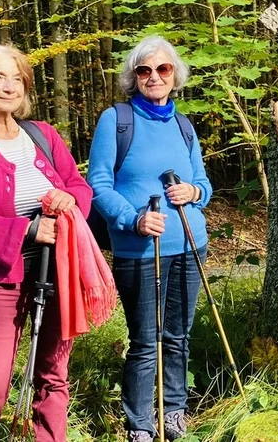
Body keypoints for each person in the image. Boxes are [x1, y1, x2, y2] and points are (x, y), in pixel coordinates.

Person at [0, 44, 114, 442]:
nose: (10, 86)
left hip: (59, 272)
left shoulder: (43, 135)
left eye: (17, 78)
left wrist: (69, 198)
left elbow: (78, 186)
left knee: (54, 376)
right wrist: (27, 230)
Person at [87, 36, 213, 442]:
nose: (154, 76)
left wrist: (194, 192)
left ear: (174, 75)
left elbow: (204, 183)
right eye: (144, 70)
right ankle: (140, 425)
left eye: (163, 69)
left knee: (178, 336)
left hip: (190, 244)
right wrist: (134, 219)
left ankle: (174, 411)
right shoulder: (116, 120)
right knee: (145, 341)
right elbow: (98, 185)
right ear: (134, 77)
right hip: (140, 250)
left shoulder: (183, 125)